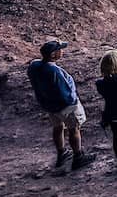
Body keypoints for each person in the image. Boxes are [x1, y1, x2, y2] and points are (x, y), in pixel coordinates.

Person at [27, 40, 95, 170]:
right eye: (59, 50)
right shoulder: (54, 71)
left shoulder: (34, 65)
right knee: (74, 129)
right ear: (53, 54)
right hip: (65, 106)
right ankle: (78, 157)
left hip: (49, 105)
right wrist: (73, 101)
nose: (61, 51)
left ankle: (62, 153)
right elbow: (65, 93)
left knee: (58, 127)